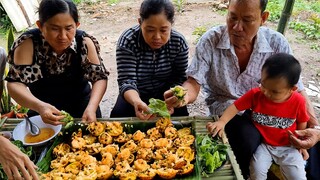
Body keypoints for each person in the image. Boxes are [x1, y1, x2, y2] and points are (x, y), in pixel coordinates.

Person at [164, 0, 319, 178]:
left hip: (271, 112)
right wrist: (183, 95)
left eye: (247, 20)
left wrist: (314, 128)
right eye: (232, 17)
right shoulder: (210, 40)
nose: (237, 27)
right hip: (229, 110)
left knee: (310, 146)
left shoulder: (277, 43)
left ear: (263, 18)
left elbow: (297, 90)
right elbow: (193, 82)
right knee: (248, 139)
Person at [5, 0, 109, 124]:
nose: (63, 36)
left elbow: (99, 78)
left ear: (77, 25)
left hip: (83, 110)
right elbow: (15, 84)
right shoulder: (28, 44)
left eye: (69, 28)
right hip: (41, 113)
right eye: (54, 29)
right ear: (40, 26)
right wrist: (39, 106)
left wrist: (92, 107)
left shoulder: (84, 42)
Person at [207, 53, 309, 179]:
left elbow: (302, 121)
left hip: (288, 147)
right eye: (263, 85)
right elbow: (235, 107)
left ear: (292, 89)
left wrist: (300, 143)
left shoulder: (298, 101)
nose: (266, 92)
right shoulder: (256, 94)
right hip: (263, 145)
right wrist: (222, 121)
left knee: (297, 176)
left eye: (274, 91)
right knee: (256, 171)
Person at [110, 0, 189, 120]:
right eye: (150, 30)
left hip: (166, 93)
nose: (157, 37)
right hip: (135, 92)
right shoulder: (128, 41)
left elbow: (179, 78)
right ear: (140, 22)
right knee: (118, 117)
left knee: (182, 120)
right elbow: (127, 81)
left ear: (171, 25)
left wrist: (172, 97)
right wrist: (136, 101)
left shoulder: (178, 42)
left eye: (163, 30)